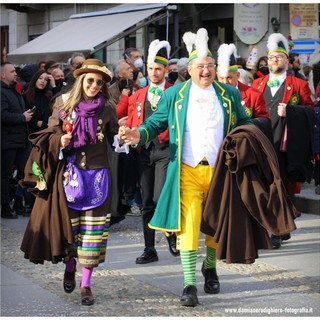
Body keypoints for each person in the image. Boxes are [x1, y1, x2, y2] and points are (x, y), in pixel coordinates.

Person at [119, 28, 252, 307]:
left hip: (220, 172)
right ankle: (189, 283)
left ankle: (211, 266)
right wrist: (139, 134)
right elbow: (156, 123)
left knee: (216, 223)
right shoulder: (174, 95)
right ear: (188, 69)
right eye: (200, 66)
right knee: (189, 224)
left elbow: (242, 123)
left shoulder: (228, 94)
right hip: (187, 169)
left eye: (210, 66)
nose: (206, 71)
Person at [20, 59, 125, 306]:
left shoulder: (108, 108)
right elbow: (49, 135)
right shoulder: (63, 104)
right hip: (69, 176)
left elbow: (115, 140)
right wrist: (61, 141)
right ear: (81, 80)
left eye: (99, 82)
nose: (94, 85)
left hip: (98, 177)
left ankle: (86, 285)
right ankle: (70, 265)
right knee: (71, 231)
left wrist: (123, 135)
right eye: (90, 80)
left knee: (93, 234)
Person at [120, 39, 180, 264]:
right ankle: (149, 248)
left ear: (166, 70)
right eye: (151, 69)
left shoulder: (176, 93)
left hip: (166, 150)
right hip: (144, 153)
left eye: (158, 69)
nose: (154, 73)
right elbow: (130, 120)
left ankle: (171, 235)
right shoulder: (137, 95)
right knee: (146, 201)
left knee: (160, 196)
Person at [252, 33, 314, 249]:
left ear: (287, 61)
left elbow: (310, 111)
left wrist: (292, 111)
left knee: (280, 186)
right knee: (265, 186)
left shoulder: (298, 84)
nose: (274, 61)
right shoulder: (258, 84)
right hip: (262, 142)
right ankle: (278, 226)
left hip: (285, 144)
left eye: (279, 57)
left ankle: (278, 230)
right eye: (271, 58)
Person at [1, 61, 33, 219]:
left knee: (24, 173)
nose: (15, 73)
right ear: (3, 75)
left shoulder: (15, 90)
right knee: (6, 175)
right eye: (12, 71)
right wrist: (22, 117)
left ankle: (20, 204)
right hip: (8, 141)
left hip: (20, 140)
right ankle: (6, 207)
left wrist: (24, 115)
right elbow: (2, 115)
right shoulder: (1, 91)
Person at [216, 43, 269, 120]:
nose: (225, 82)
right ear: (217, 75)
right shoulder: (211, 94)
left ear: (237, 75)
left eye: (229, 77)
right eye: (221, 78)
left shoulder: (254, 95)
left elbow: (264, 121)